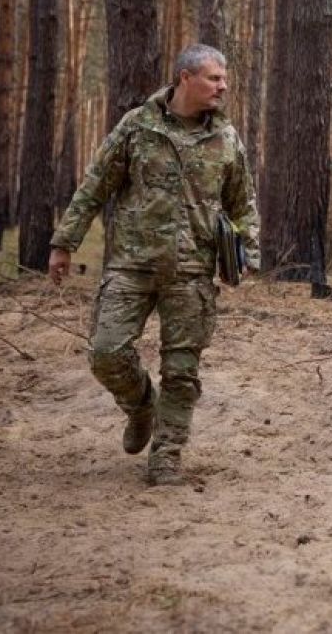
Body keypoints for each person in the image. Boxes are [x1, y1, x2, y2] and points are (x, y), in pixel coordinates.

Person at [48, 44, 260, 486]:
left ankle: (166, 457)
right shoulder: (137, 127)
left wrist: (246, 255)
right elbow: (94, 185)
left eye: (224, 78)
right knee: (106, 353)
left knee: (182, 372)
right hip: (131, 265)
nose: (223, 86)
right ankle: (141, 404)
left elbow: (243, 205)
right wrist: (64, 242)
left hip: (191, 272)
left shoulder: (226, 138)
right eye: (214, 78)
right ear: (185, 78)